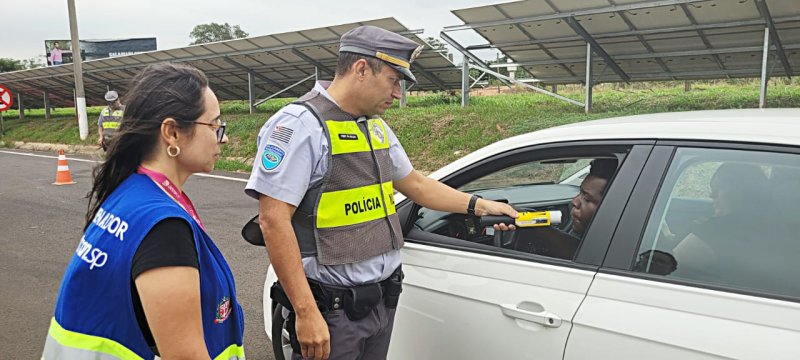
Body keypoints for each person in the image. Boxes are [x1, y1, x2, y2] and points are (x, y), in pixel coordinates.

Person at [245, 25, 517, 360]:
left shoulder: (374, 125)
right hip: (332, 309)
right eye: (393, 80)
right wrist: (305, 312)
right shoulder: (301, 125)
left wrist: (479, 205)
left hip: (381, 303)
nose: (398, 93)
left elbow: (415, 185)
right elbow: (273, 221)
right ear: (361, 69)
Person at [42, 63, 244, 359]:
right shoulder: (164, 228)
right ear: (172, 132)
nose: (222, 138)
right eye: (214, 126)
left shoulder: (130, 191)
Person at [671, 163, 769, 284]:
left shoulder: (717, 230)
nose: (712, 195)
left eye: (719, 188)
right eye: (712, 189)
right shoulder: (774, 227)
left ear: (743, 191)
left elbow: (664, 265)